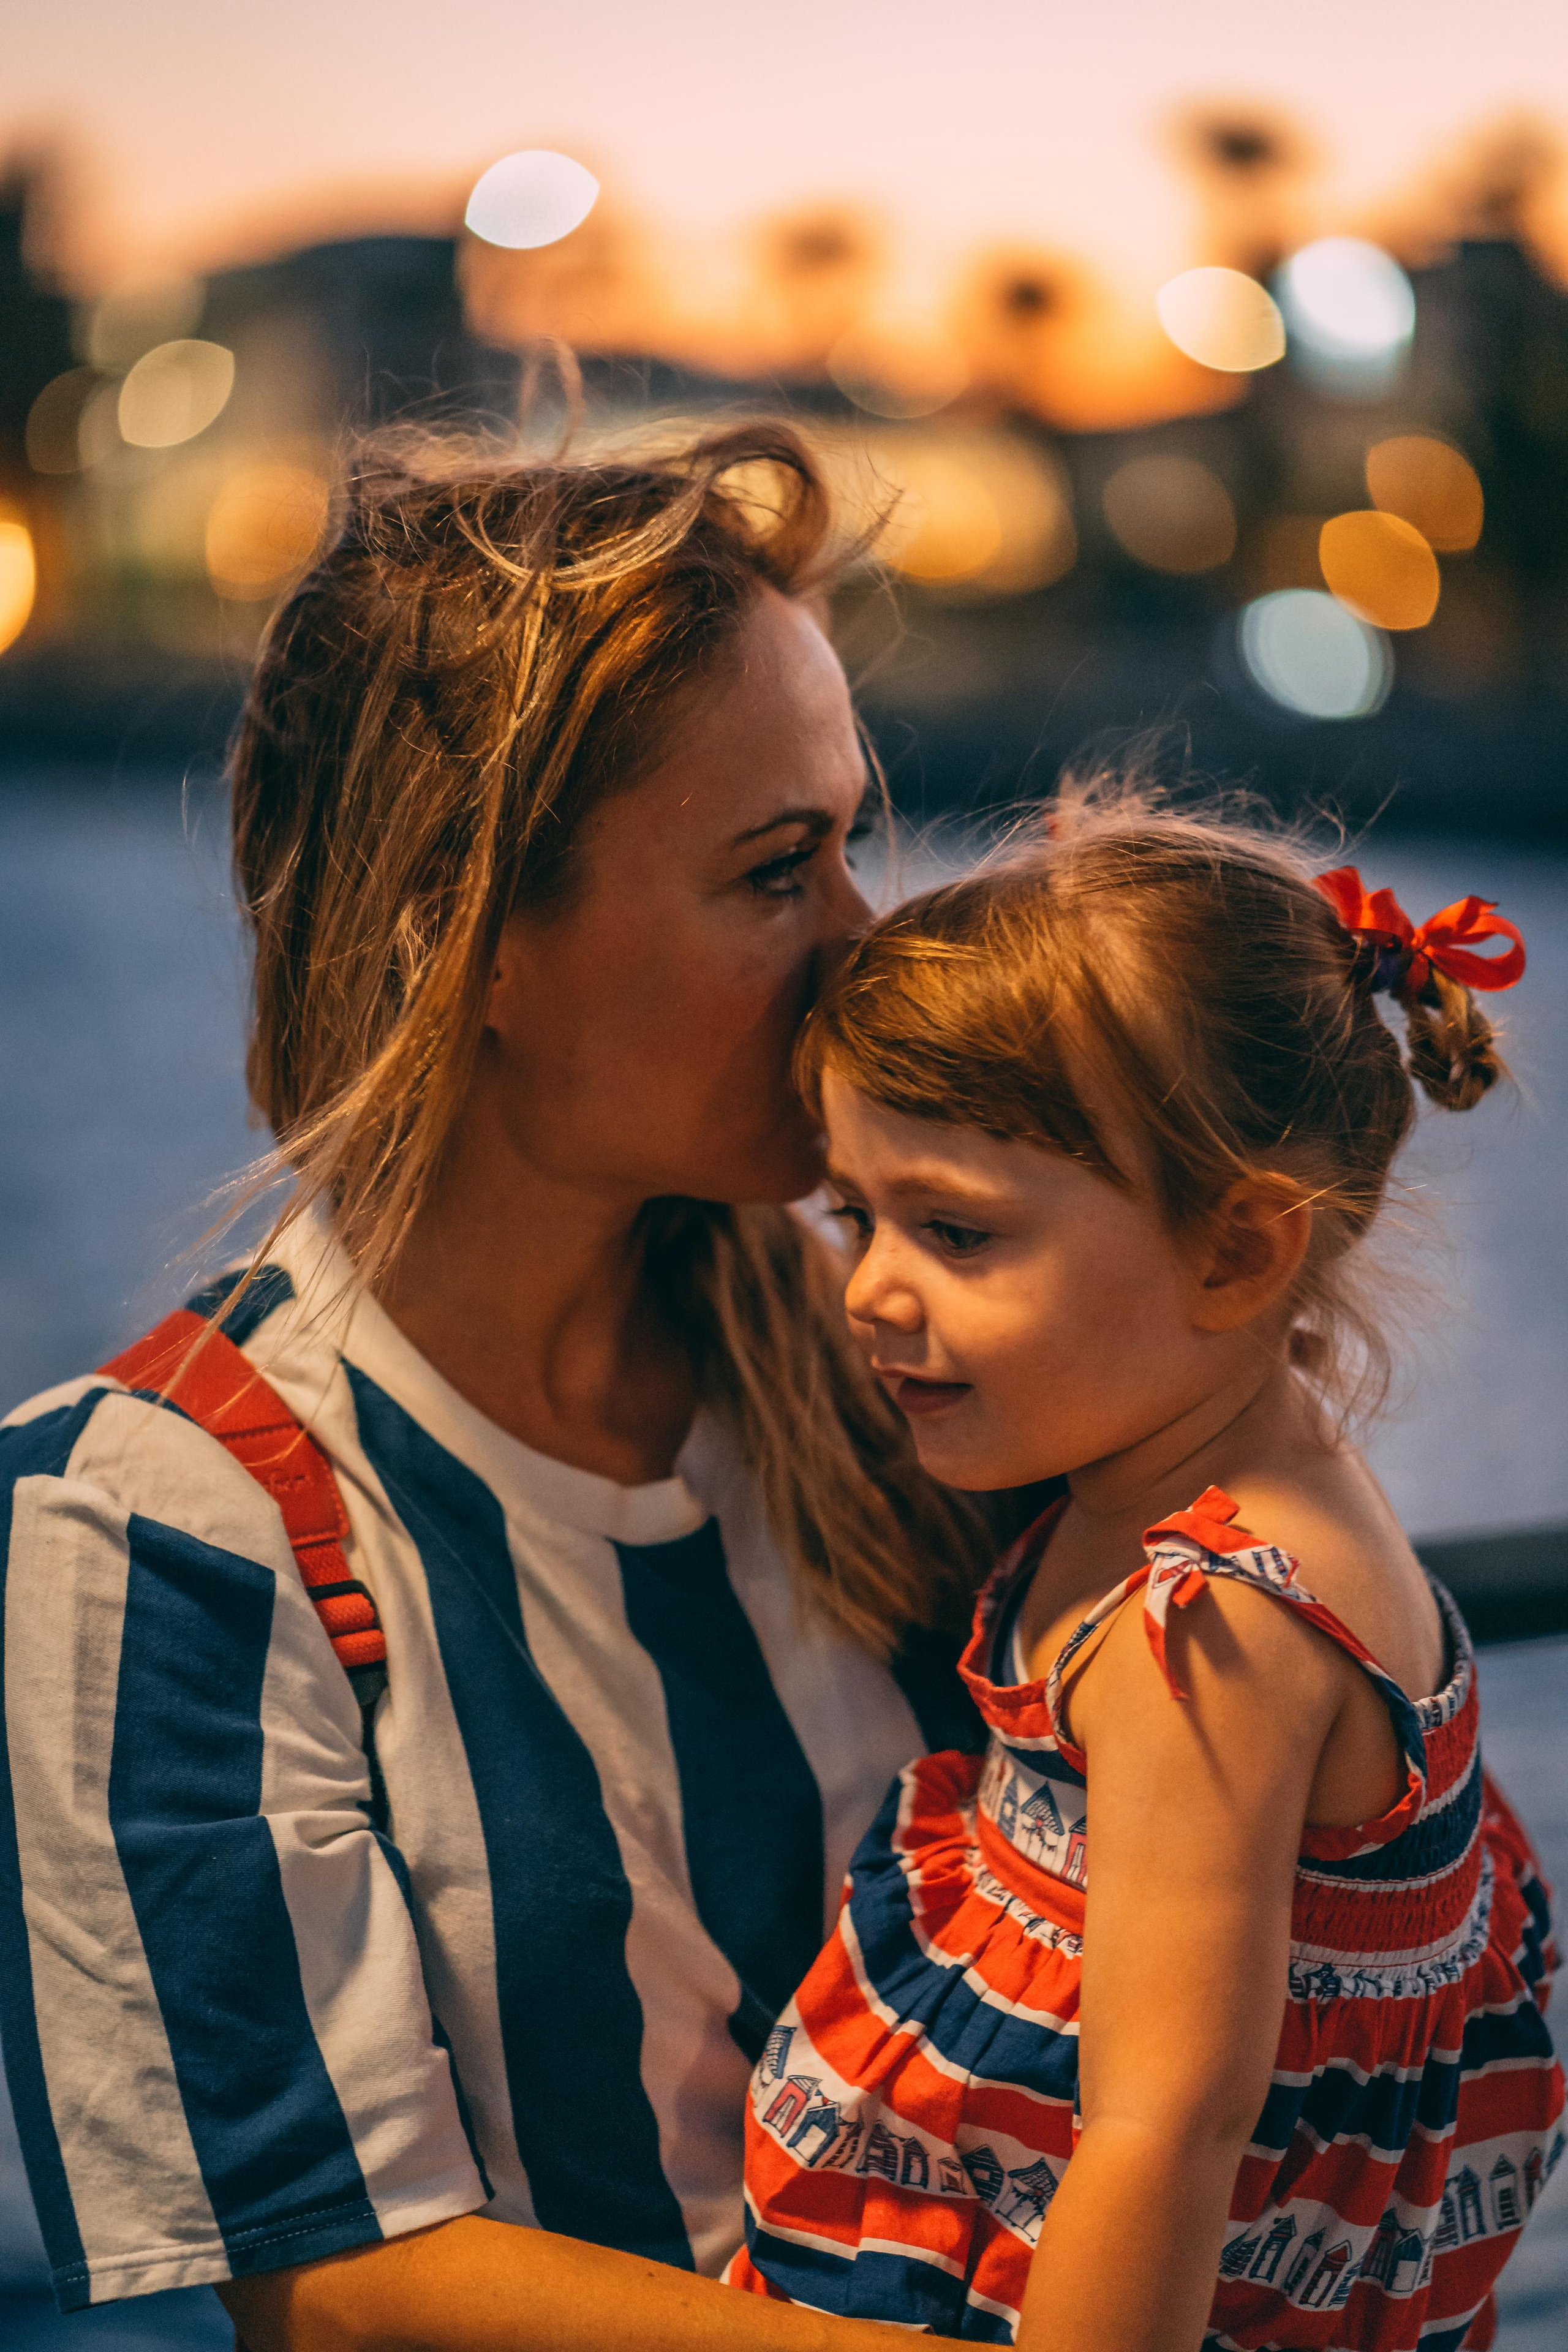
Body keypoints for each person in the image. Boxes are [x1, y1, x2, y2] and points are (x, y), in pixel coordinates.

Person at [0, 423, 990, 2352]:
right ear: (471, 939)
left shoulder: (907, 1372)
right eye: (780, 870)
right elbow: (343, 2281)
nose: (870, 946)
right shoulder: (158, 1528)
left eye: (852, 841)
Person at [728, 786, 1566, 2349]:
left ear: (1238, 1253)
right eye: (856, 1218)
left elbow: (1160, 2134)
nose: (870, 1293)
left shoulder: (1215, 1632)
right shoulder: (1216, 1443)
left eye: (955, 1236)